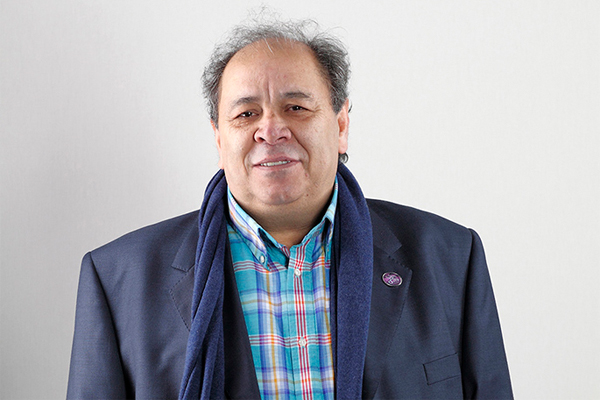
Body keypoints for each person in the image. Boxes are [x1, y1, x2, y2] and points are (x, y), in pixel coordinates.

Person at [67, 16, 513, 400]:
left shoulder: (451, 258)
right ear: (219, 137)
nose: (271, 130)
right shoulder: (118, 280)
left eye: (296, 107)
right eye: (246, 114)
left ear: (341, 125)